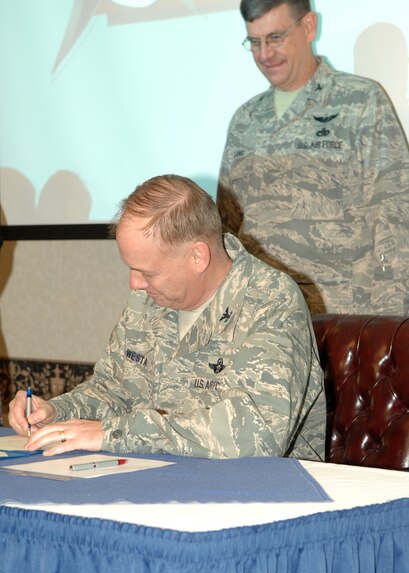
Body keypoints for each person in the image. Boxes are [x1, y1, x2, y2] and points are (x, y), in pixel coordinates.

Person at [9, 174, 326, 460]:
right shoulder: (148, 300)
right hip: (159, 478)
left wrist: (113, 434)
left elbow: (257, 433)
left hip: (264, 496)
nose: (134, 283)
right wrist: (56, 412)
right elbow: (115, 388)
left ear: (198, 256)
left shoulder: (269, 300)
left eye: (146, 271)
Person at [217, 0, 409, 315]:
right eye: (254, 42)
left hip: (340, 315)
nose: (264, 54)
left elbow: (394, 218)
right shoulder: (245, 120)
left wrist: (388, 324)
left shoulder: (361, 101)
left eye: (275, 38)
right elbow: (226, 227)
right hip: (259, 316)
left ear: (308, 27)